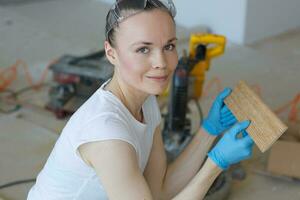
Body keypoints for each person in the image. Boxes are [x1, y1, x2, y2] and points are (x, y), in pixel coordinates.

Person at [27, 0, 254, 199]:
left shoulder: (146, 100)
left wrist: (209, 130)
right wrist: (216, 164)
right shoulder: (107, 135)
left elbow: (160, 191)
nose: (161, 63)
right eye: (143, 49)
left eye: (169, 46)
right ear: (111, 53)